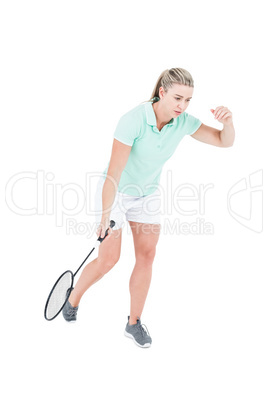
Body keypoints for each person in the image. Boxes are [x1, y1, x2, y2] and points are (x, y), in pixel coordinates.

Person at [62, 67, 235, 348]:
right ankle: (72, 299)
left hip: (147, 195)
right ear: (162, 92)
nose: (183, 106)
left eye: (188, 100)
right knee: (109, 260)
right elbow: (113, 174)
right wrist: (105, 215)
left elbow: (223, 142)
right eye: (178, 98)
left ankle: (133, 323)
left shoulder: (184, 122)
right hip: (116, 193)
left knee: (147, 255)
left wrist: (228, 123)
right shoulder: (133, 120)